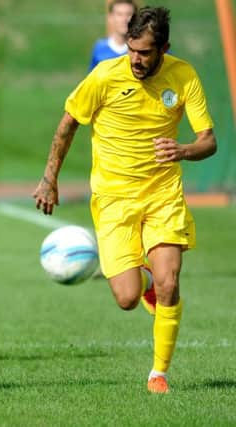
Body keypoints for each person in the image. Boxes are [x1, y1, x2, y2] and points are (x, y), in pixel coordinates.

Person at [32, 6, 216, 394]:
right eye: (132, 49)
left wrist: (182, 151)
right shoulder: (104, 75)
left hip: (163, 195)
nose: (136, 59)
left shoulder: (183, 76)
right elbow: (68, 124)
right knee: (128, 298)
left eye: (146, 52)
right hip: (114, 201)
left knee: (171, 281)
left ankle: (158, 374)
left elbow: (208, 141)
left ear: (164, 48)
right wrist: (50, 178)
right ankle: (143, 280)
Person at [89, 0, 137, 71]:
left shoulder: (139, 49)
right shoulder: (99, 48)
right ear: (110, 18)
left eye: (128, 14)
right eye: (119, 14)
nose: (124, 19)